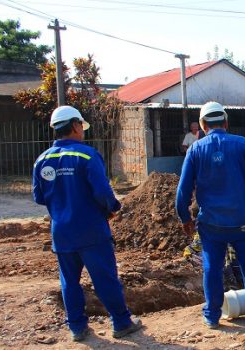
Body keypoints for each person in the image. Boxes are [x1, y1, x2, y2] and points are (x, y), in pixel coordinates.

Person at [32, 106, 142, 342]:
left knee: (69, 282)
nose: (82, 130)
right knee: (105, 278)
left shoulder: (42, 160)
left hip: (62, 233)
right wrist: (113, 209)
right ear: (74, 125)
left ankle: (77, 328)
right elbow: (103, 192)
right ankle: (122, 323)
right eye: (81, 125)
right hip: (91, 231)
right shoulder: (87, 155)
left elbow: (39, 197)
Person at [175, 101, 245, 329]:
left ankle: (212, 316)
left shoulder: (196, 149)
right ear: (226, 122)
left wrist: (184, 217)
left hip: (212, 225)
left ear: (202, 125)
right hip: (243, 222)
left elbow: (183, 189)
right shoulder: (242, 145)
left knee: (212, 268)